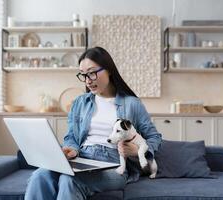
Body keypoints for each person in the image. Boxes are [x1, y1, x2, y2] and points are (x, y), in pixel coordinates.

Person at [24, 46, 162, 200]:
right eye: (83, 75)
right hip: (82, 159)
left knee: (70, 179)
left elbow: (154, 137)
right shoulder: (79, 103)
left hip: (114, 164)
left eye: (92, 73)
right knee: (40, 176)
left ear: (109, 69)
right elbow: (71, 137)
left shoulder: (132, 104)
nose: (88, 80)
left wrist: (137, 150)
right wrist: (72, 150)